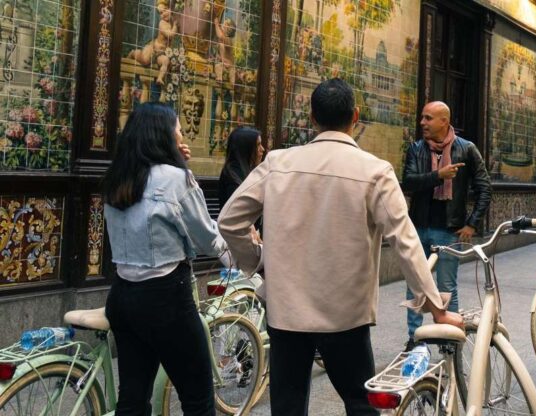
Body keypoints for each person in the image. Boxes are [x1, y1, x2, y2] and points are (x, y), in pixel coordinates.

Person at [217, 78, 464, 416]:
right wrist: (436, 307)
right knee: (361, 404)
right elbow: (405, 242)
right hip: (345, 316)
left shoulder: (277, 163)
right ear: (356, 117)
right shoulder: (375, 171)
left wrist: (260, 263)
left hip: (287, 312)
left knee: (287, 407)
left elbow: (230, 220)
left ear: (312, 117)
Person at [102, 103, 228, 415]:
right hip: (166, 300)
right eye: (179, 129)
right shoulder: (175, 179)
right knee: (197, 397)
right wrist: (234, 250)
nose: (182, 135)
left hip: (122, 296)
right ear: (163, 136)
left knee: (132, 398)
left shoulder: (117, 177)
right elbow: (208, 239)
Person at [401, 101, 492, 352]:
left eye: (428, 118)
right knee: (416, 285)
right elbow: (408, 182)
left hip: (449, 230)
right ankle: (415, 339)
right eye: (422, 118)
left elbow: (485, 188)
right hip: (418, 227)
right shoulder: (416, 149)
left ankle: (448, 338)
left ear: (444, 121)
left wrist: (472, 224)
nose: (422, 123)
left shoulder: (467, 149)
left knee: (447, 287)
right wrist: (438, 176)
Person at [218, 126, 264, 208]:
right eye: (258, 145)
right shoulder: (233, 177)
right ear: (246, 149)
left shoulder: (245, 171)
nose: (262, 149)